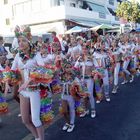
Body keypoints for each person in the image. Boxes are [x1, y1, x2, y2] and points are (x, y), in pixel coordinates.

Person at [11, 35, 45, 140]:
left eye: (23, 41)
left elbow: (43, 69)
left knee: (35, 119)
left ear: (29, 42)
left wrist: (29, 80)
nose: (20, 43)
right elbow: (12, 71)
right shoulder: (18, 56)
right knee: (25, 120)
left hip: (34, 90)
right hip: (23, 91)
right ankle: (37, 137)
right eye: (19, 41)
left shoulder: (36, 55)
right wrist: (8, 77)